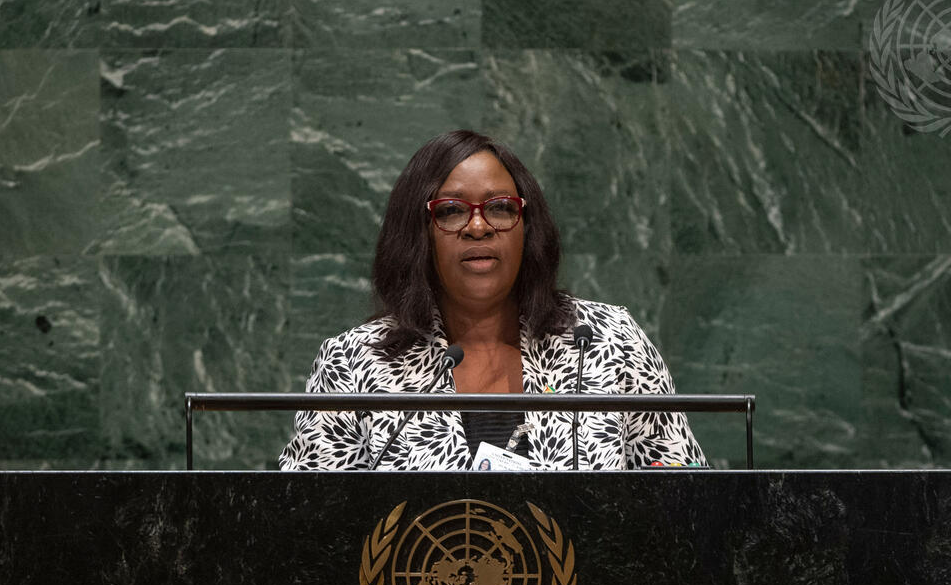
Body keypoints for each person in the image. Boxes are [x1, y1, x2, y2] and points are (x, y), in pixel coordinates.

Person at [277, 130, 704, 471]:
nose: (478, 227)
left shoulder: (607, 342)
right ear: (418, 233)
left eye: (500, 208)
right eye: (451, 210)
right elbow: (306, 524)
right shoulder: (354, 364)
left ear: (527, 228)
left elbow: (686, 497)